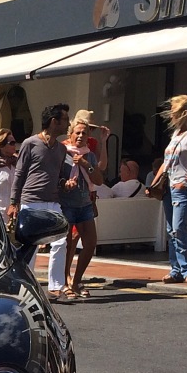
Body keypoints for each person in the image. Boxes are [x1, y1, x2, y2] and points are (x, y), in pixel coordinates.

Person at [6, 103, 72, 298]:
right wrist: (13, 202)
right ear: (54, 122)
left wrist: (64, 183)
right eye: (65, 119)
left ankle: (55, 286)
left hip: (53, 202)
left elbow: (58, 174)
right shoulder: (30, 143)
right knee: (31, 246)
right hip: (31, 201)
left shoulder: (61, 149)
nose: (68, 123)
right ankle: (26, 286)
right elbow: (19, 173)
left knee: (60, 242)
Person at [153, 94, 187, 286]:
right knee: (171, 229)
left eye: (175, 113)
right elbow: (166, 163)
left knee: (178, 228)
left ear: (183, 114)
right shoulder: (175, 135)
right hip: (169, 186)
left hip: (181, 187)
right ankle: (176, 269)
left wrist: (186, 181)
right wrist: (155, 182)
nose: (172, 117)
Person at [61, 118, 104, 298]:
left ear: (88, 137)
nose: (80, 136)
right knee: (67, 245)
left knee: (90, 243)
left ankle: (77, 280)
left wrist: (86, 164)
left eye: (84, 133)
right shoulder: (63, 153)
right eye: (77, 132)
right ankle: (64, 281)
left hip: (85, 204)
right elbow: (54, 177)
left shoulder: (90, 155)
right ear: (70, 135)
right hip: (67, 205)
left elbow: (99, 180)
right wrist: (65, 184)